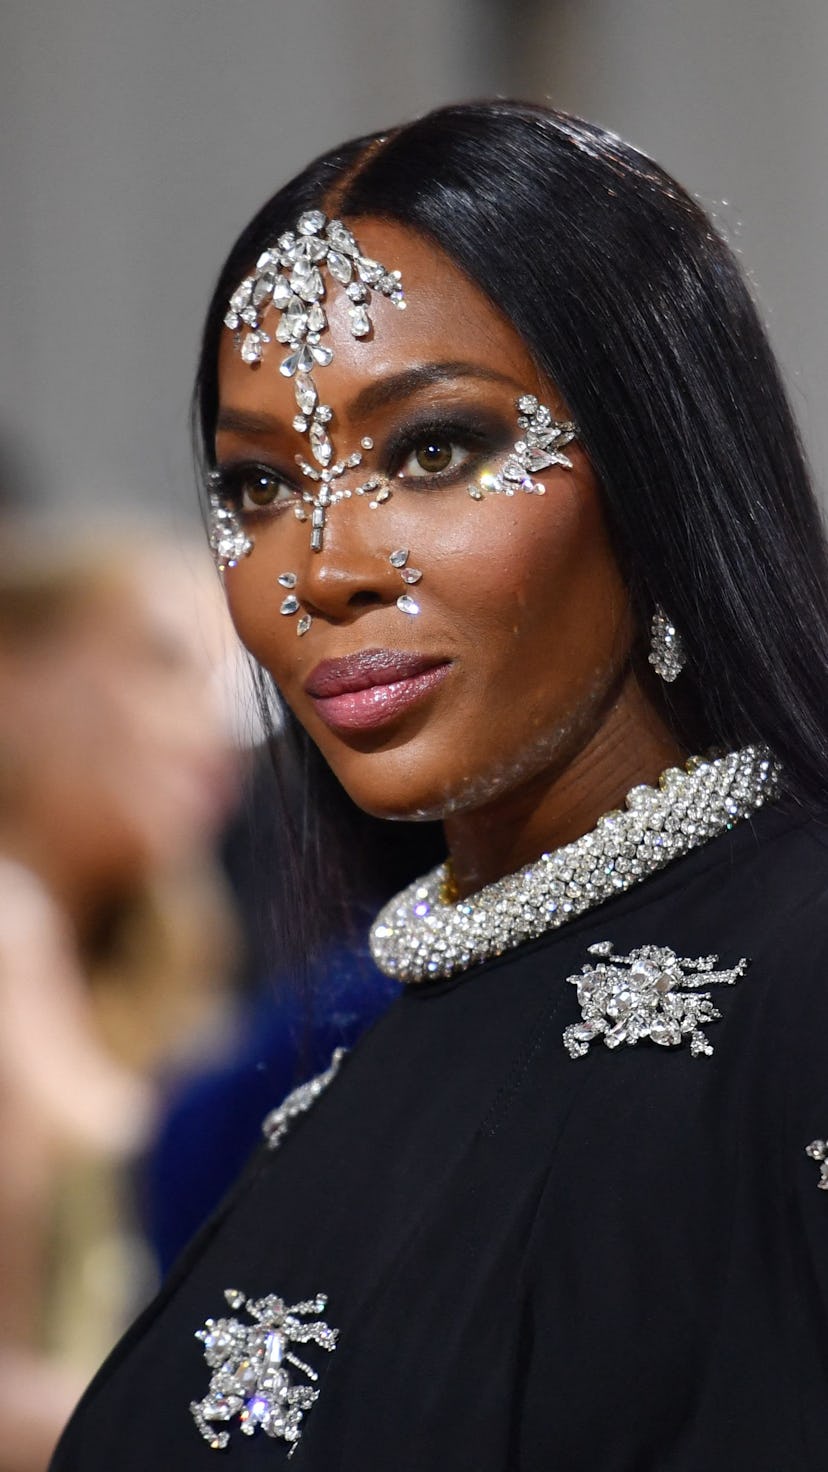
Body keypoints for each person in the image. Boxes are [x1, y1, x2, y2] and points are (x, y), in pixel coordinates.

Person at [51, 100, 828, 1471]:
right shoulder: (357, 1062)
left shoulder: (801, 975)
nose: (321, 567)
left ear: (659, 457)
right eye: (259, 486)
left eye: (433, 450)